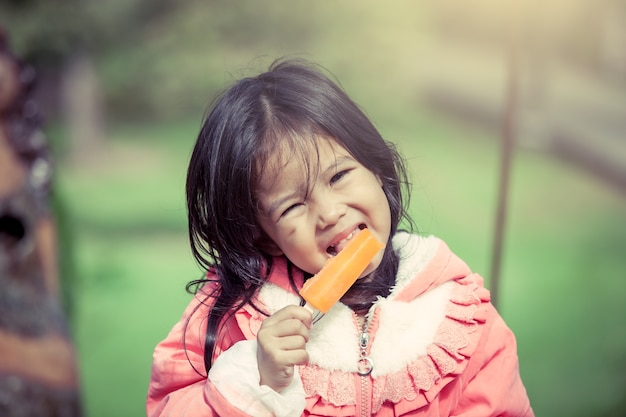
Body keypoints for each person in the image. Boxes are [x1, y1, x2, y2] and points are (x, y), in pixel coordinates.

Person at [146, 58, 534, 417]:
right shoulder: (232, 315)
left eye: (339, 176)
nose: (329, 214)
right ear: (265, 237)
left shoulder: (460, 318)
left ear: (376, 168)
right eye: (292, 207)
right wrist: (255, 378)